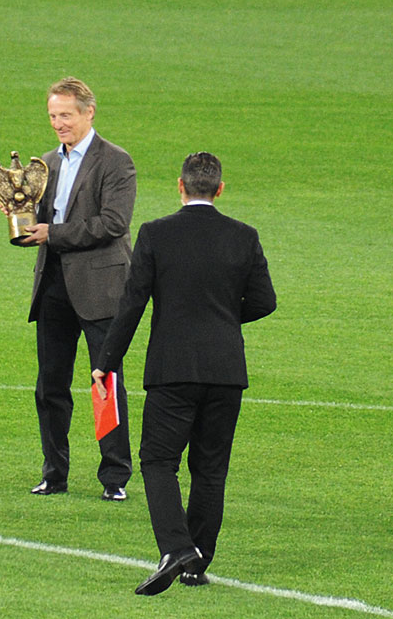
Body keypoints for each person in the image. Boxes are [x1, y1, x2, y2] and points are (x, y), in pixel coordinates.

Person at [92, 152, 276, 595]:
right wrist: (225, 320)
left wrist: (106, 360)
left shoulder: (156, 234)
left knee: (158, 461)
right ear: (219, 189)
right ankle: (197, 562)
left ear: (180, 186)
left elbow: (133, 302)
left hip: (172, 369)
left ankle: (176, 548)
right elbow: (265, 301)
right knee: (211, 468)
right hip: (226, 369)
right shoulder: (244, 236)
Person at [12, 77, 136, 501]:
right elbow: (38, 220)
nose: (58, 124)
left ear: (88, 113)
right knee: (49, 385)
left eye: (65, 115)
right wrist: (19, 215)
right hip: (53, 285)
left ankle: (115, 476)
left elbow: (114, 224)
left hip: (100, 287)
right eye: (52, 116)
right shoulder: (45, 162)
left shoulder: (116, 162)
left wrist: (53, 233)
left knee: (105, 383)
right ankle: (54, 473)